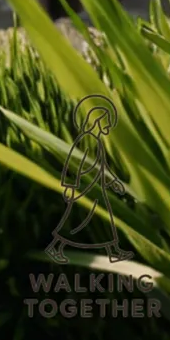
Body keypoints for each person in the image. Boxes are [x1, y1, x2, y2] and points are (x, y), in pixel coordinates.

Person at [44, 94, 133, 265]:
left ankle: (113, 250)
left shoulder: (98, 141)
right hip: (85, 187)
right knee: (75, 223)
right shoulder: (87, 138)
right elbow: (74, 162)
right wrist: (70, 186)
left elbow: (102, 167)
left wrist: (113, 182)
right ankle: (55, 247)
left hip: (96, 187)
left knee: (107, 220)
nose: (107, 125)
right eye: (104, 120)